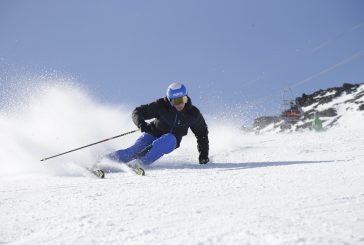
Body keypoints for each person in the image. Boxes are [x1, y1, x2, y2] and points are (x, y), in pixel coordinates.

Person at [106, 82, 210, 166]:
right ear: (170, 101)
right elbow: (138, 111)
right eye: (176, 101)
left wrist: (203, 155)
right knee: (133, 151)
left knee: (168, 138)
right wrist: (141, 123)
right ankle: (102, 162)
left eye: (182, 99)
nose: (180, 104)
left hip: (171, 141)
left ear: (186, 98)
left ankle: (139, 164)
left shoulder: (193, 113)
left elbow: (202, 134)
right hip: (153, 133)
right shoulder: (161, 105)